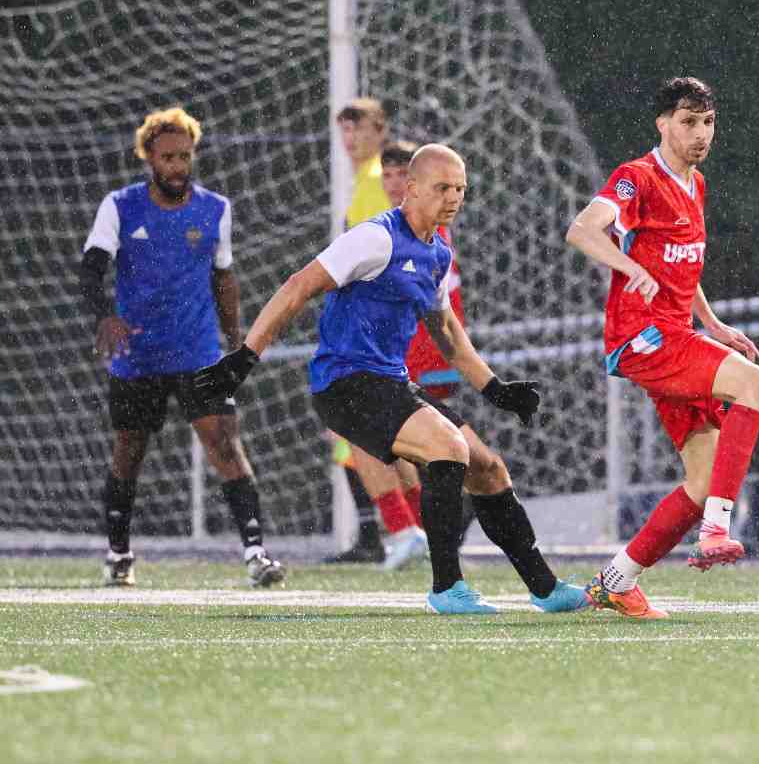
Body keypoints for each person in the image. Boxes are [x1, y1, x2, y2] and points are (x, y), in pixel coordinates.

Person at [192, 144, 588, 615]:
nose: (453, 198)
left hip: (391, 383)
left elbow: (446, 332)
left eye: (460, 189)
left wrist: (495, 389)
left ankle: (545, 588)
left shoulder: (437, 252)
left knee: (488, 468)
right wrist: (245, 357)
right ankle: (446, 589)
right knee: (448, 448)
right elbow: (298, 286)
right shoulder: (375, 238)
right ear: (411, 188)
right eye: (442, 188)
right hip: (344, 385)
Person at [564, 76, 759, 620]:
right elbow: (582, 230)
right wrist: (628, 266)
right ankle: (717, 531)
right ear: (662, 124)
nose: (700, 133)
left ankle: (616, 581)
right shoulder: (636, 178)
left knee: (702, 483)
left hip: (678, 333)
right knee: (758, 384)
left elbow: (683, 263)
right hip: (645, 337)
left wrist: (713, 323)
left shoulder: (696, 184)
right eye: (688, 122)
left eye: (708, 122)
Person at [80, 106, 285, 589]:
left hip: (197, 351)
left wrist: (236, 342)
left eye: (185, 157)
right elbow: (91, 269)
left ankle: (256, 554)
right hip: (138, 354)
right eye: (168, 157)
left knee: (225, 444)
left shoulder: (215, 209)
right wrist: (105, 315)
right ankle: (118, 553)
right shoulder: (120, 206)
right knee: (129, 451)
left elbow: (224, 277)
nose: (178, 166)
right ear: (148, 157)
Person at [325, 100, 431, 568]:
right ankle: (404, 531)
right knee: (369, 436)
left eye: (360, 129)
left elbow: (371, 261)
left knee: (363, 431)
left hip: (376, 332)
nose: (351, 140)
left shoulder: (374, 183)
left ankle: (405, 530)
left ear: (380, 131)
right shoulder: (366, 182)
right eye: (345, 130)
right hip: (381, 328)